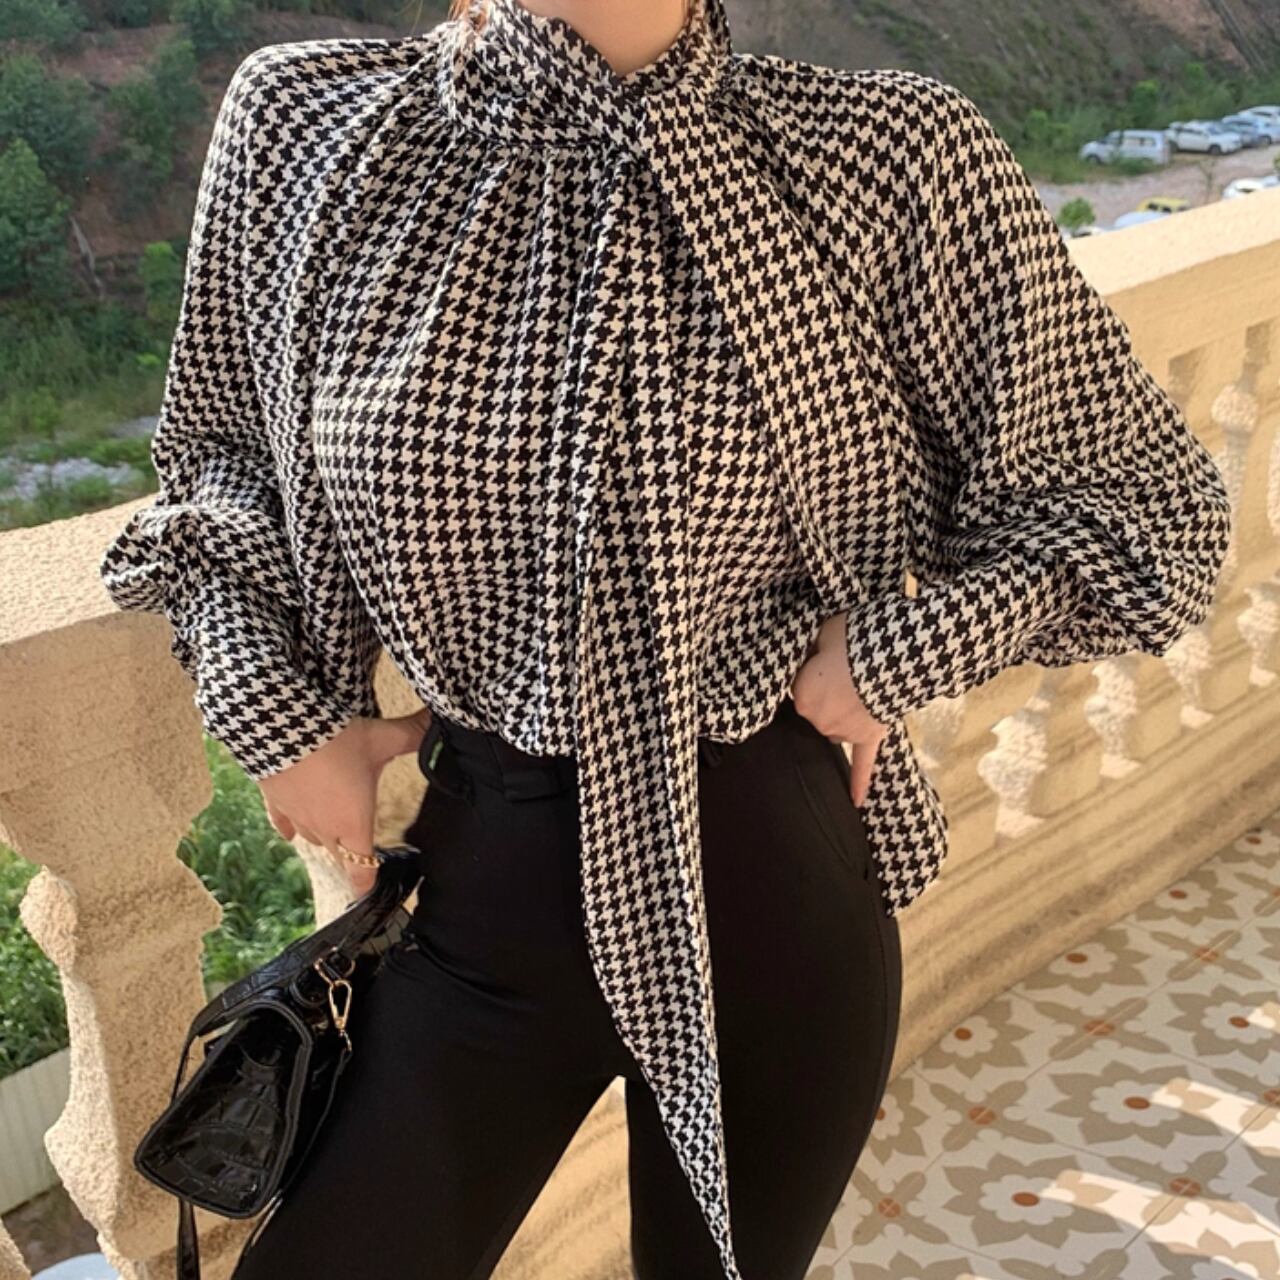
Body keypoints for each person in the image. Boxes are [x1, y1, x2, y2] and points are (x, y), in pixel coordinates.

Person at [97, 0, 1233, 1275]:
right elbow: (222, 464)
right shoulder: (315, 122)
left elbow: (1150, 511)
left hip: (772, 886)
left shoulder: (886, 154)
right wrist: (276, 712)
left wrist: (891, 658)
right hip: (479, 890)